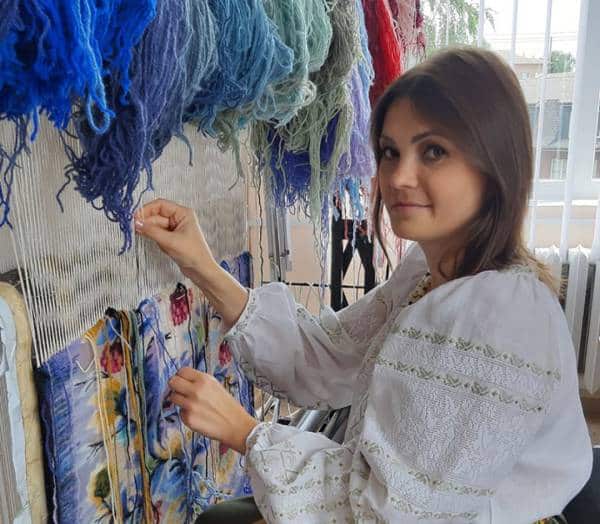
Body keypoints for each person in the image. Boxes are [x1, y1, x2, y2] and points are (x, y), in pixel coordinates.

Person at [134, 48, 593, 523]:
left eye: (433, 151)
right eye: (390, 152)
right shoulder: (429, 273)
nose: (399, 177)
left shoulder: (499, 316)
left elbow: (395, 515)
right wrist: (202, 265)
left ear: (495, 166)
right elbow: (326, 357)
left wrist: (245, 432)